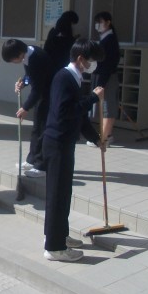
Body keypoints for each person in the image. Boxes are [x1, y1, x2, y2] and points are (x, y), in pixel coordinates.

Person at [42, 38, 105, 262]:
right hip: (57, 144)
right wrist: (93, 98)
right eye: (92, 60)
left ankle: (60, 236)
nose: (93, 65)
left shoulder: (74, 78)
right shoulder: (64, 78)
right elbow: (65, 112)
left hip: (64, 143)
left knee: (63, 194)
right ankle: (54, 247)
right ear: (80, 59)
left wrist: (96, 139)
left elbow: (78, 116)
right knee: (57, 196)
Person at [1, 39, 53, 178]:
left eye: (12, 60)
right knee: (36, 129)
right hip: (42, 95)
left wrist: (25, 107)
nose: (14, 63)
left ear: (18, 54)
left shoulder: (36, 58)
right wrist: (23, 83)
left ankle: (41, 166)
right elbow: (30, 76)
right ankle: (32, 159)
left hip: (49, 96)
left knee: (42, 130)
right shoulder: (28, 54)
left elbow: (37, 89)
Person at [88, 11, 120, 148]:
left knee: (108, 108)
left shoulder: (110, 40)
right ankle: (108, 134)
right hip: (103, 76)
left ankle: (104, 138)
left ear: (108, 23)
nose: (98, 25)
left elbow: (108, 64)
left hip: (107, 77)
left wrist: (102, 83)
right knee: (105, 107)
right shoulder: (105, 38)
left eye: (100, 22)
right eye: (97, 22)